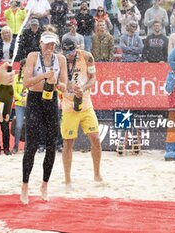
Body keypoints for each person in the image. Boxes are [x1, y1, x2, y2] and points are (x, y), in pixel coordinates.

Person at [21, 31, 67, 204]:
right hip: (34, 101)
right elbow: (26, 82)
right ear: (41, 43)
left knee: (51, 145)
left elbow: (64, 86)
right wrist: (43, 76)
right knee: (31, 146)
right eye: (47, 44)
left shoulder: (60, 59)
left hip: (51, 101)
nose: (50, 47)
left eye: (53, 44)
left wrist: (55, 82)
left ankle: (44, 185)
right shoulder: (32, 56)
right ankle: (25, 186)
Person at [60, 38, 102, 188]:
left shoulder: (87, 56)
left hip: (85, 104)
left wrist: (82, 89)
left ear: (76, 48)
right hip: (68, 105)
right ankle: (67, 179)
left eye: (71, 52)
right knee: (68, 143)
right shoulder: (60, 59)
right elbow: (57, 85)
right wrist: (69, 88)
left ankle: (97, 174)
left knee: (96, 139)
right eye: (66, 52)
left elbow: (93, 79)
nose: (69, 55)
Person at [12, 59, 28, 154]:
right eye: (25, 65)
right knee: (18, 125)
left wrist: (26, 99)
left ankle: (27, 147)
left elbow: (32, 90)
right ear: (21, 66)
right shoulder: (16, 77)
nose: (26, 67)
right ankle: (16, 146)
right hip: (19, 104)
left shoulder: (31, 77)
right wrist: (20, 99)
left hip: (29, 104)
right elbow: (14, 91)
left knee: (28, 126)